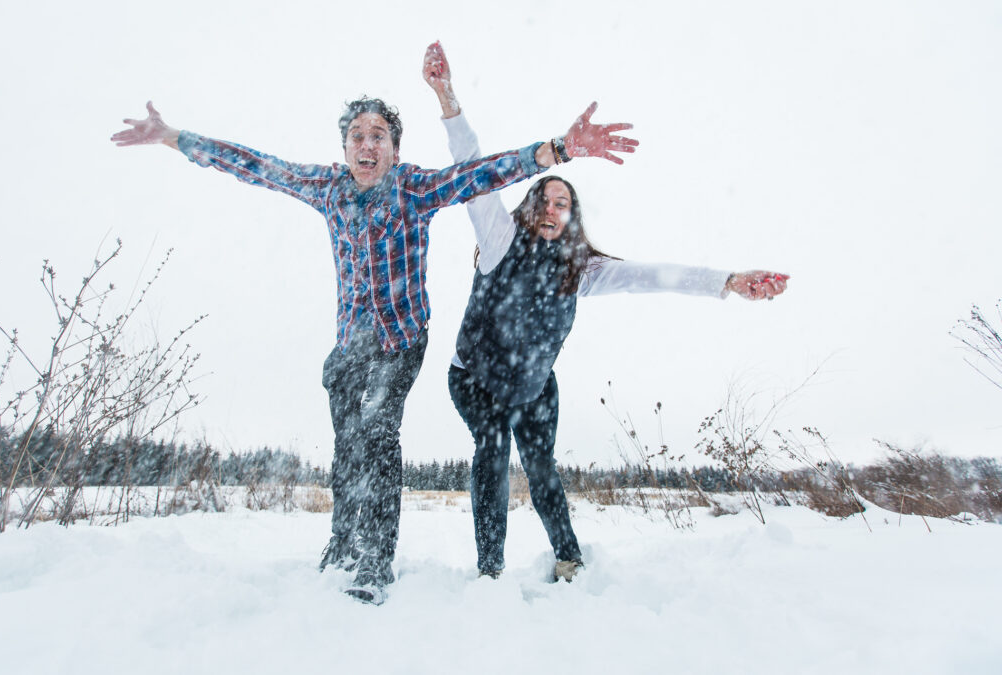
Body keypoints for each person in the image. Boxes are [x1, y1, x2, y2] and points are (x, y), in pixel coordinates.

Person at [111, 94, 637, 603]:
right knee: (347, 445)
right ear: (344, 149)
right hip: (350, 344)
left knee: (378, 429)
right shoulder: (328, 187)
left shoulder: (414, 189)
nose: (367, 145)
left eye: (378, 136)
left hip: (401, 339)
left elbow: (482, 173)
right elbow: (256, 165)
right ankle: (342, 540)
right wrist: (173, 138)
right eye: (357, 136)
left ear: (395, 149)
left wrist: (559, 149)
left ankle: (375, 559)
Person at [422, 42, 789, 581]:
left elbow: (650, 276)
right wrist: (446, 96)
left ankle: (569, 559)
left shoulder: (581, 272)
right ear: (528, 209)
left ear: (572, 218)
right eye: (543, 200)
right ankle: (490, 573)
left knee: (543, 467)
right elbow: (471, 167)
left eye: (562, 204)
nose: (551, 209)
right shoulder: (499, 239)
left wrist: (728, 282)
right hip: (475, 379)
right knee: (494, 446)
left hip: (533, 385)